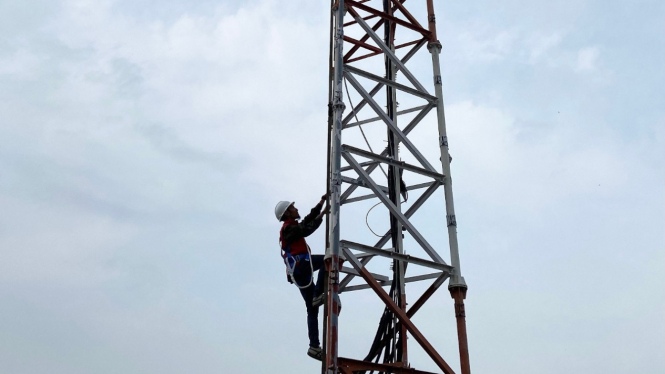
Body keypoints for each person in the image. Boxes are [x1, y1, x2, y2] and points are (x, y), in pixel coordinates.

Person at [275, 195, 329, 361]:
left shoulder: (290, 227)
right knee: (330, 260)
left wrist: (321, 205)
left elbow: (306, 222)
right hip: (302, 266)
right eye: (293, 207)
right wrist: (321, 215)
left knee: (312, 309)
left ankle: (314, 346)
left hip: (299, 270)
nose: (296, 209)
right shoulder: (288, 229)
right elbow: (306, 229)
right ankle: (318, 294)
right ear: (287, 213)